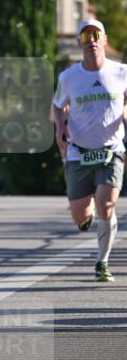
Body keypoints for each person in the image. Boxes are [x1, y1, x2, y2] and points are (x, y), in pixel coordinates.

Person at [53, 18, 127, 283]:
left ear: (104, 40)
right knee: (81, 218)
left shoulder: (122, 72)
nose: (92, 41)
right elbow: (57, 105)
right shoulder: (68, 77)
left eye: (96, 35)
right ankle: (88, 213)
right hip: (78, 151)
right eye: (86, 37)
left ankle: (102, 262)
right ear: (79, 43)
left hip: (111, 149)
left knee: (107, 205)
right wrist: (59, 129)